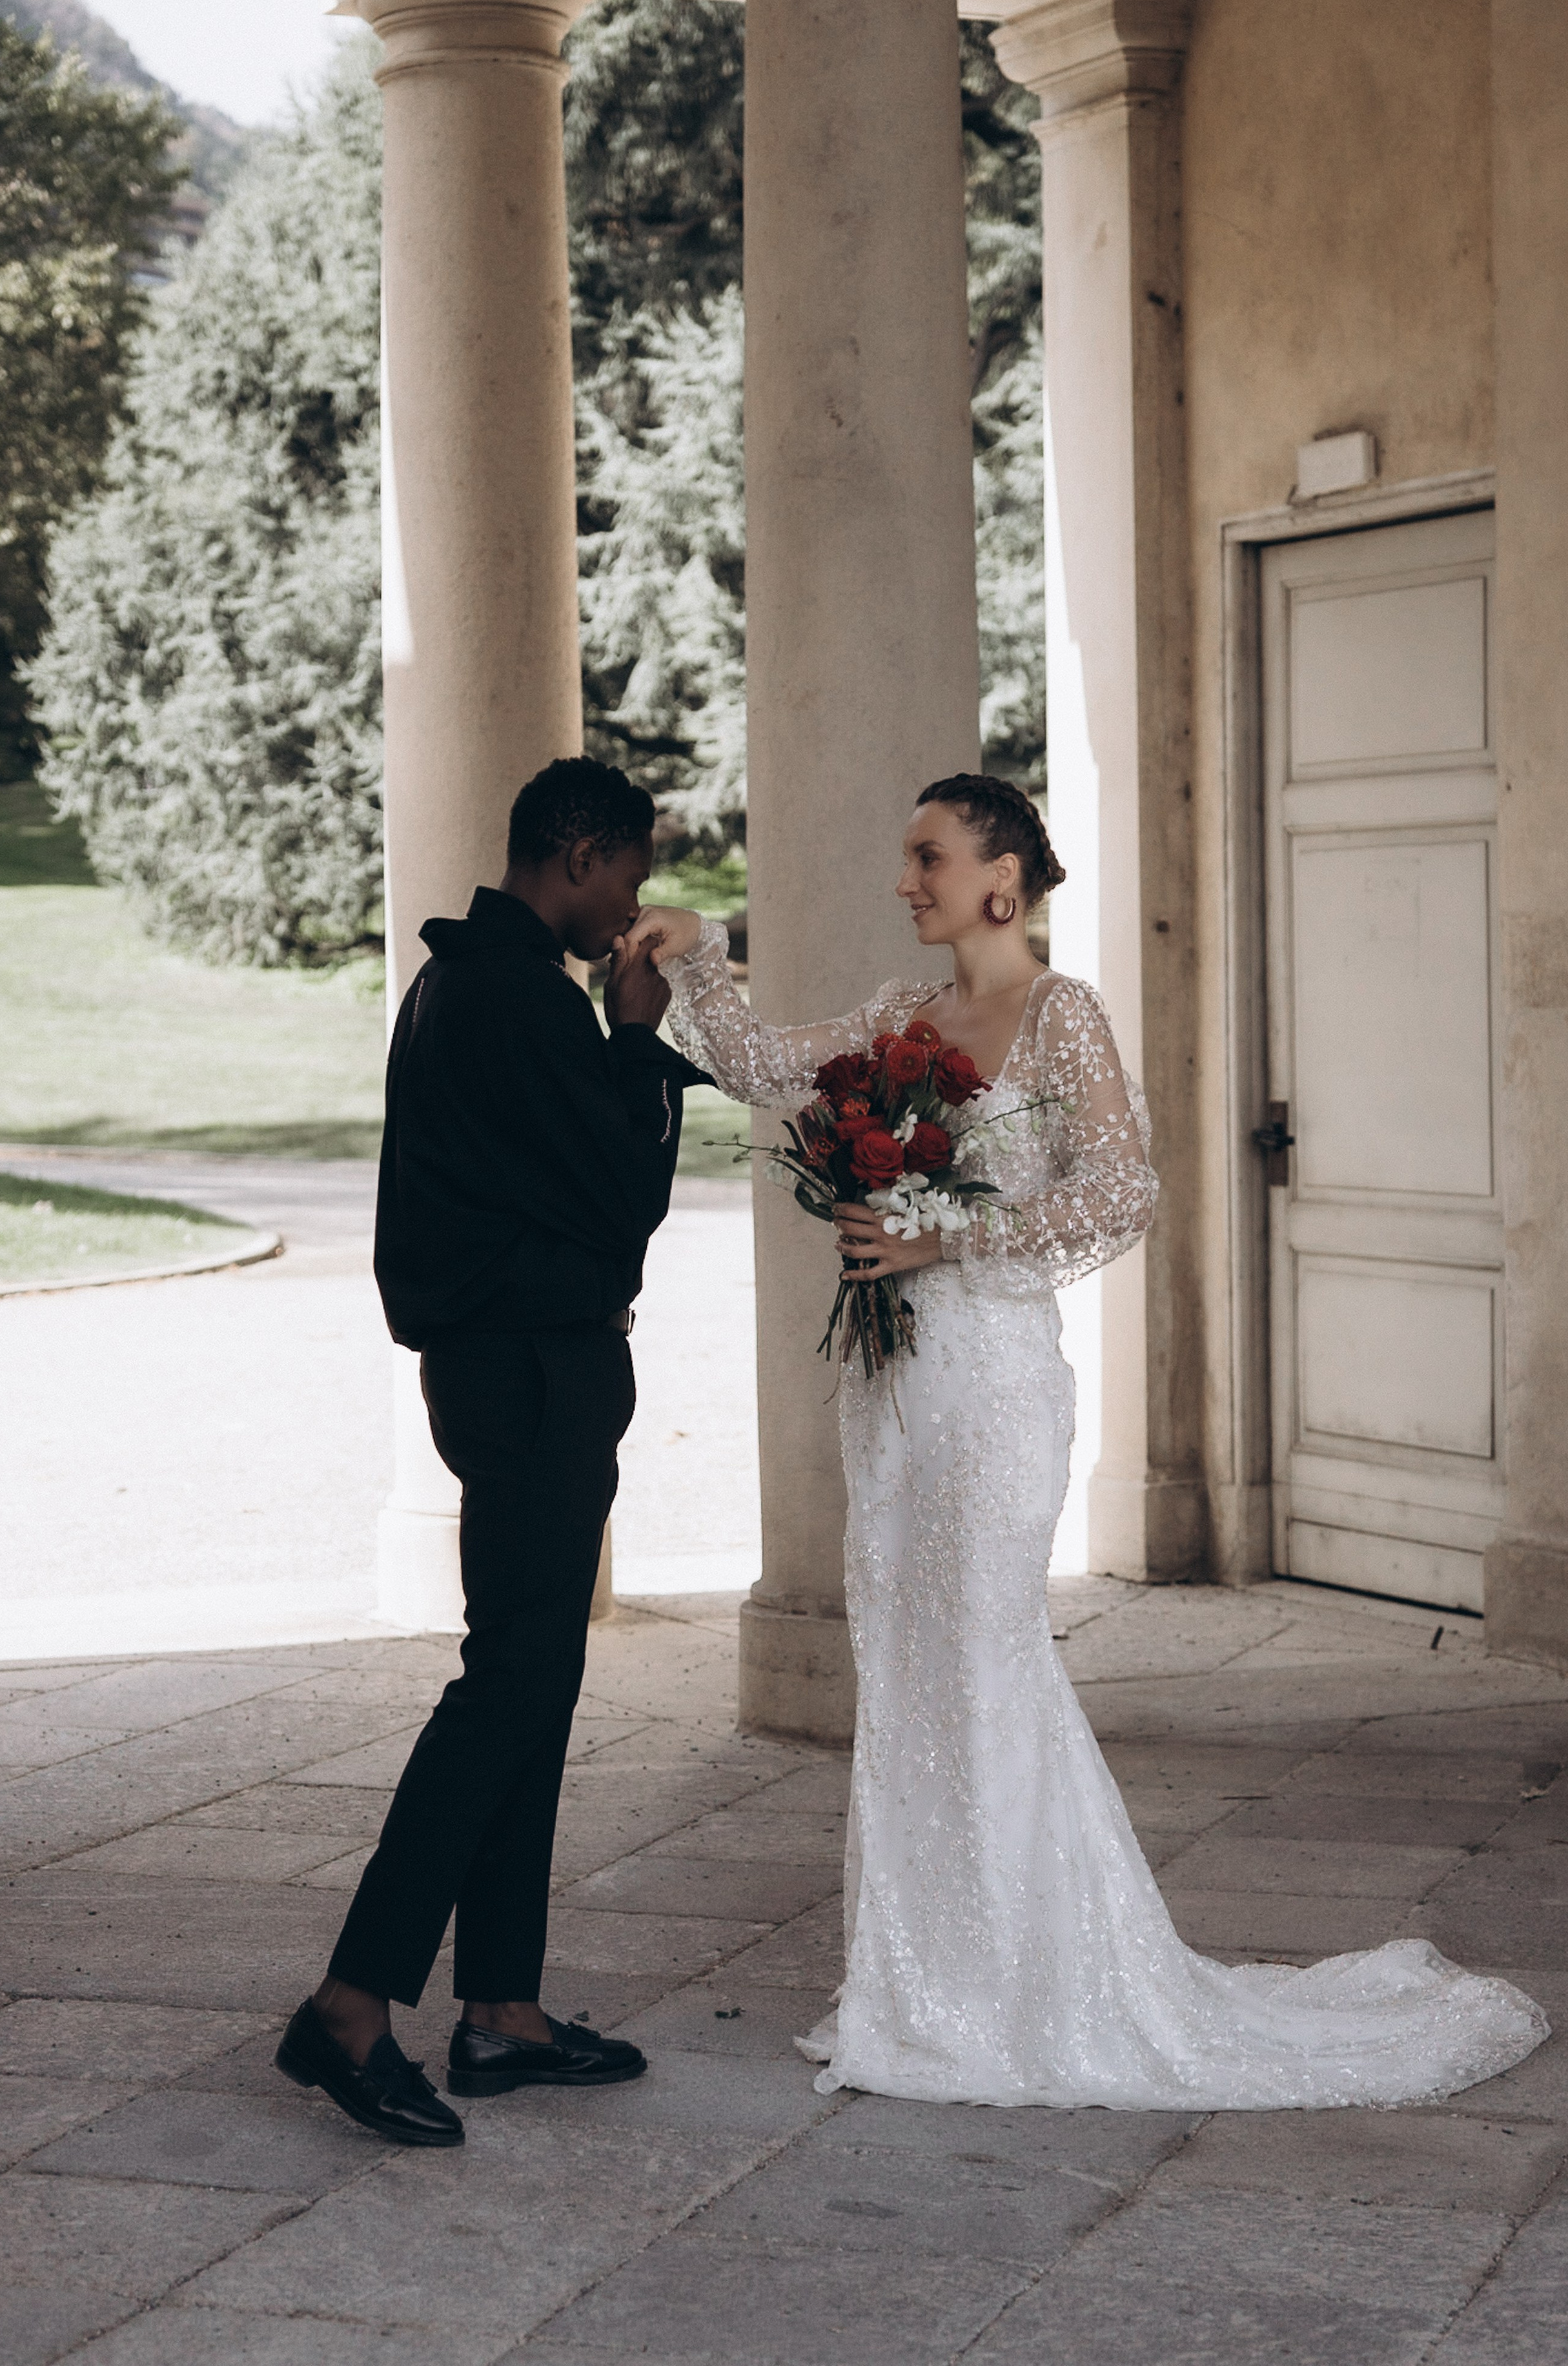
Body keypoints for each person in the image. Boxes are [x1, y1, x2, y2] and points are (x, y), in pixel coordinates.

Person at [629, 771, 1547, 2109]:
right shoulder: (898, 1016)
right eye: (906, 858)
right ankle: (923, 1989)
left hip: (994, 1386)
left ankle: (1036, 1989)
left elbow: (1121, 1193)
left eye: (926, 858)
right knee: (904, 1662)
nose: (906, 883)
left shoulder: (1062, 1018)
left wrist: (947, 1234)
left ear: (1000, 879)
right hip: (892, 1389)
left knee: (985, 1658)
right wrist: (700, 949)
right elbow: (769, 1068)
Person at [277, 758, 708, 2146]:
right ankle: (352, 2004)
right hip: (529, 1374)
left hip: (511, 1369)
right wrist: (637, 1035)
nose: (632, 904)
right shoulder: (521, 996)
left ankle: (504, 2013)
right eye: (628, 873)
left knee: (535, 1680)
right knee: (508, 1683)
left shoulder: (457, 980)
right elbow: (625, 1195)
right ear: (577, 853)